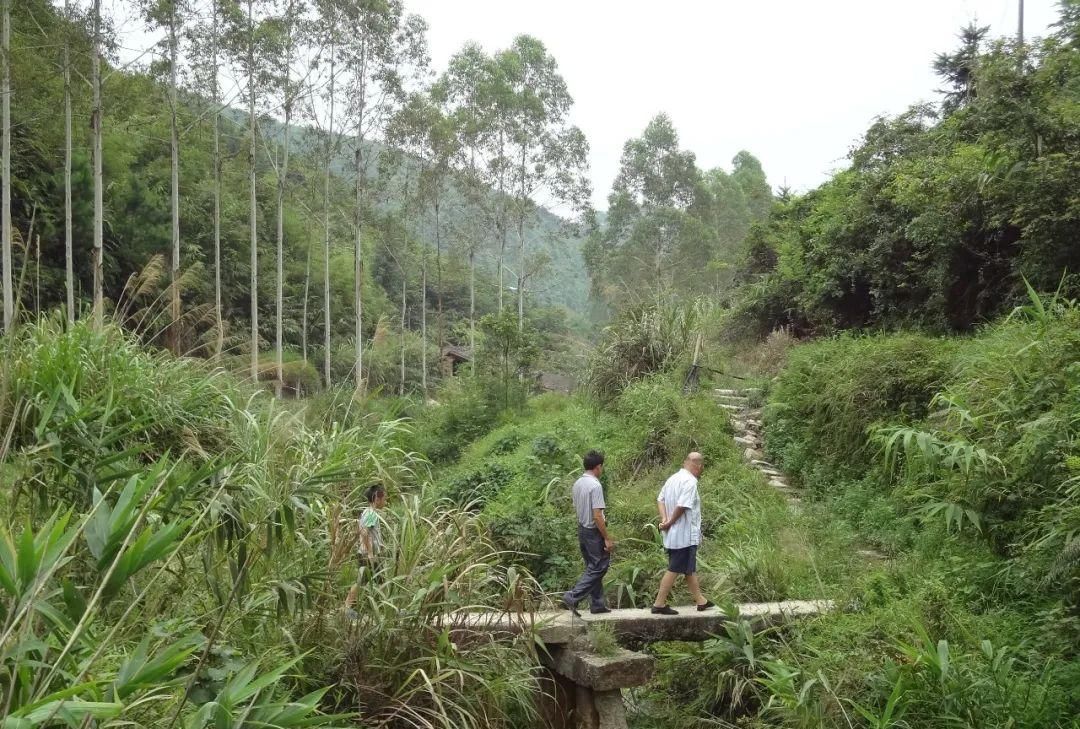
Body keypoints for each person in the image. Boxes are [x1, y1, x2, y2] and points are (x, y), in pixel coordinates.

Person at [651, 452, 714, 615]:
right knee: (674, 568)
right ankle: (658, 603)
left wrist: (664, 519)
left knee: (688, 569)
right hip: (683, 535)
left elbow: (660, 499)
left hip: (673, 534)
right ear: (697, 465)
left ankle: (701, 601)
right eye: (701, 467)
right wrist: (670, 522)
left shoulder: (673, 478)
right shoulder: (690, 482)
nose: (701, 471)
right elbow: (683, 506)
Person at [562, 450, 613, 616]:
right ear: (598, 467)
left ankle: (597, 604)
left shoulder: (578, 484)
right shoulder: (595, 485)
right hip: (593, 531)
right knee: (600, 566)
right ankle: (573, 596)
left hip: (582, 529)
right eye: (602, 467)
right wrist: (606, 537)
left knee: (592, 566)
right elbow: (597, 515)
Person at [344, 483, 387, 617]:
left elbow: (364, 531)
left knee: (380, 581)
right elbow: (364, 532)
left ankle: (385, 608)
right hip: (368, 555)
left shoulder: (367, 512)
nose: (385, 501)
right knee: (361, 581)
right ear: (377, 499)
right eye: (384, 498)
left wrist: (381, 545)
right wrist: (370, 553)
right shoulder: (371, 513)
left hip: (368, 553)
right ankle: (347, 608)